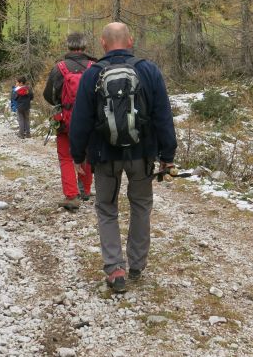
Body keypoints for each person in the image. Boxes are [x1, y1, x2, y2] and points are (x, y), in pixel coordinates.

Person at [69, 22, 177, 293]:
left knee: (107, 208)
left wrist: (78, 155)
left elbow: (80, 120)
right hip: (142, 155)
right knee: (141, 205)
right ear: (130, 40)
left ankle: (115, 268)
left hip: (104, 155)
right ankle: (137, 264)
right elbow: (163, 115)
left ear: (103, 43)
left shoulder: (92, 74)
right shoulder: (149, 70)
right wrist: (167, 155)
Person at [42, 32, 96, 210]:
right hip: (89, 120)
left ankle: (71, 196)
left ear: (68, 46)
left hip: (65, 120)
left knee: (65, 157)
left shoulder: (60, 68)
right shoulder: (94, 66)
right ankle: (86, 190)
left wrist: (62, 104)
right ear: (85, 46)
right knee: (87, 154)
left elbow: (48, 95)